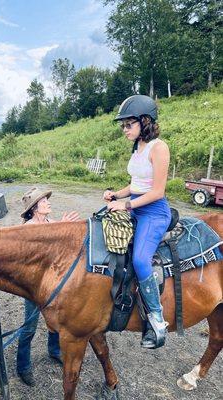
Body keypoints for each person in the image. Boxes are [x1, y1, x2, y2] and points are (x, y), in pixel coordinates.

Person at [103, 95, 171, 349]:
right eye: (123, 126)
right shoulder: (139, 147)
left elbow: (157, 192)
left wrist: (127, 204)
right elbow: (136, 184)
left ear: (145, 121)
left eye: (128, 125)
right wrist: (116, 195)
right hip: (136, 207)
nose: (125, 130)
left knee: (141, 259)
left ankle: (157, 319)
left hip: (153, 212)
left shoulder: (159, 147)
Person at [17, 187, 79, 386]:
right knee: (29, 326)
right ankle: (23, 366)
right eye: (44, 201)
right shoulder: (27, 228)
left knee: (56, 320)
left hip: (53, 283)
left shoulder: (52, 223)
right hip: (34, 286)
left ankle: (54, 350)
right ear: (34, 208)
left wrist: (64, 228)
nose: (48, 203)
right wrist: (59, 228)